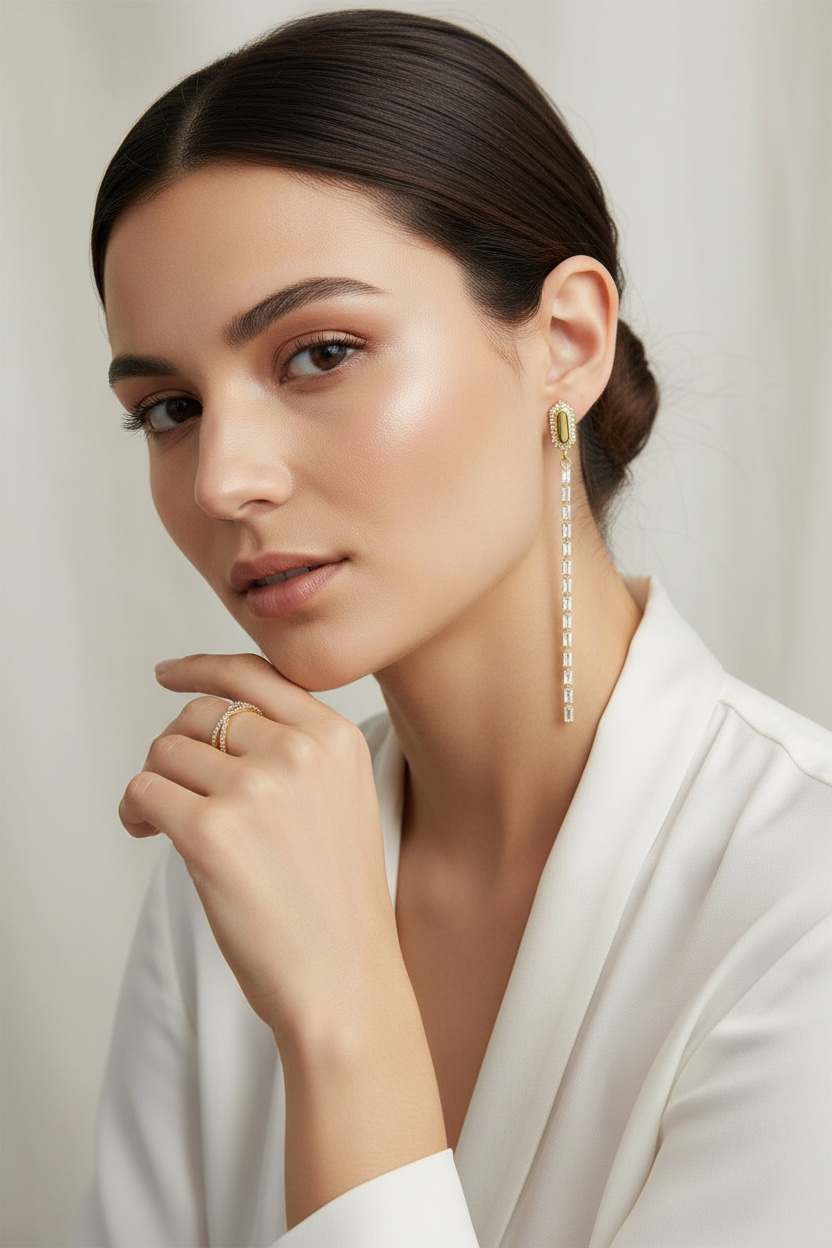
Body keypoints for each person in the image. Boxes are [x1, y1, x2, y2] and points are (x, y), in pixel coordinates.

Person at [75, 9, 832, 1246]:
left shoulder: (803, 902)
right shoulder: (242, 851)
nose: (222, 479)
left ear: (566, 344)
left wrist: (343, 1021)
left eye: (319, 353)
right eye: (168, 408)